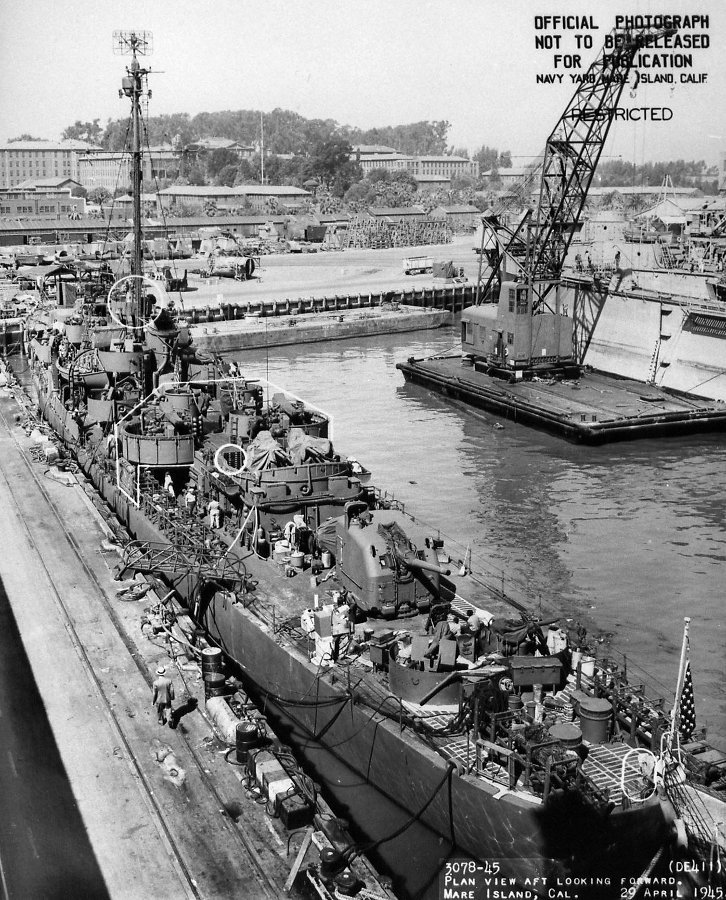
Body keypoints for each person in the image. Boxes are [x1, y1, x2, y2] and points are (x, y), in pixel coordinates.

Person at [330, 593, 351, 662]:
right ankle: (335, 656)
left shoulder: (340, 609)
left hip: (338, 628)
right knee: (335, 642)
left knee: (336, 642)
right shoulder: (343, 608)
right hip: (337, 628)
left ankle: (336, 656)